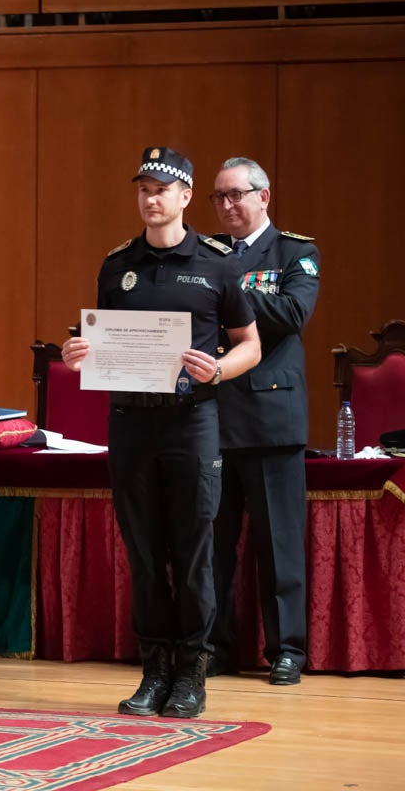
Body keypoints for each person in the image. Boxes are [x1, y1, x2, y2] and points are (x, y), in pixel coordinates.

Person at [61, 147, 261, 718]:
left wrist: (218, 370)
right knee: (144, 553)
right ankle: (154, 670)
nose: (151, 199)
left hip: (191, 422)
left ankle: (192, 672)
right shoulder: (117, 265)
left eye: (162, 189)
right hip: (130, 423)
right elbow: (102, 342)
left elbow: (250, 344)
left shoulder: (217, 264)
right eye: (144, 189)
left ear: (186, 195)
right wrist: (79, 354)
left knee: (193, 552)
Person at [208, 157, 319, 686]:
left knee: (279, 543)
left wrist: (224, 294)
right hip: (210, 416)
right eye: (219, 197)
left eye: (236, 195)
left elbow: (293, 313)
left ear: (263, 197)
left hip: (271, 418)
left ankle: (288, 650)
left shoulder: (295, 252)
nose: (227, 205)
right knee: (211, 545)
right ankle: (214, 647)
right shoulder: (205, 253)